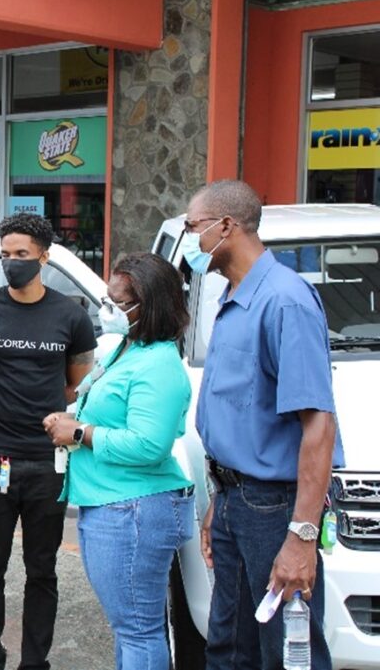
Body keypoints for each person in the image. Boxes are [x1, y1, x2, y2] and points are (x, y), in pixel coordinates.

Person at [184, 181, 342, 670]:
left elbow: (319, 426)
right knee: (229, 648)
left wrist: (300, 537)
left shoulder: (284, 301)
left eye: (193, 228)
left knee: (285, 655)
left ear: (226, 226)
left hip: (273, 509)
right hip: (236, 500)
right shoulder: (234, 297)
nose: (190, 241)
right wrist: (219, 500)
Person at [43, 252, 195, 670]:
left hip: (133, 509)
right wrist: (73, 418)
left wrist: (80, 432)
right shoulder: (126, 350)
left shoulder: (158, 364)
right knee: (128, 626)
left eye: (117, 302)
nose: (105, 310)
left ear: (148, 306)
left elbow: (149, 445)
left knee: (138, 628)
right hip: (113, 504)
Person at [0, 213, 96, 670]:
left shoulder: (70, 316)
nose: (12, 262)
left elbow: (76, 386)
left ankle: (34, 661)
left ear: (44, 256)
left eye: (21, 254)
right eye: (5, 254)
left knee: (42, 570)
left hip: (47, 461)